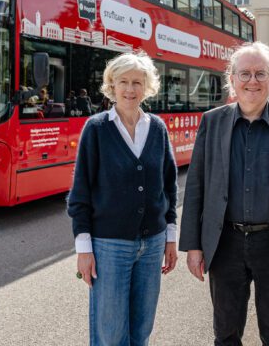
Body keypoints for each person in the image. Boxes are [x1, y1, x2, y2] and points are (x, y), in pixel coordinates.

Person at [179, 41, 269, 346]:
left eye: (261, 74)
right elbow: (196, 188)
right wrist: (193, 246)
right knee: (226, 334)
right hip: (225, 244)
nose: (252, 81)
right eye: (244, 74)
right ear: (231, 79)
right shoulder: (212, 122)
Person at [67, 51, 178, 345]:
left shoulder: (157, 128)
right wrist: (84, 249)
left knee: (141, 330)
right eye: (124, 82)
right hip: (109, 246)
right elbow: (80, 194)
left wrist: (170, 235)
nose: (130, 89)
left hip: (153, 244)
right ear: (112, 86)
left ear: (147, 87)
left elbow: (168, 186)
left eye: (137, 82)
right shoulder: (97, 128)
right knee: (111, 334)